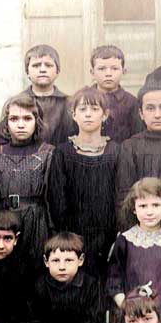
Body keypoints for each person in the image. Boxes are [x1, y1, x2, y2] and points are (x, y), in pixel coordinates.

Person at [0, 92, 55, 275]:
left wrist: (54, 234)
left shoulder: (48, 153)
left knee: (36, 273)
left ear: (37, 121)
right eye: (14, 119)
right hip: (4, 224)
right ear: (6, 123)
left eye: (27, 118)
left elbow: (53, 199)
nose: (21, 124)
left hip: (37, 223)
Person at [49, 86, 119, 279]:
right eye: (82, 109)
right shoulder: (63, 152)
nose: (88, 114)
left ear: (104, 115)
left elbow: (119, 194)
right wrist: (67, 235)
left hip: (107, 234)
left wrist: (114, 232)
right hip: (74, 233)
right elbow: (57, 198)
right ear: (74, 115)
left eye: (95, 109)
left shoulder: (115, 151)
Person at [116, 80, 161, 233]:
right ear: (141, 113)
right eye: (150, 108)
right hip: (140, 227)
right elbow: (125, 195)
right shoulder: (130, 147)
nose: (157, 114)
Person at [107, 178, 161, 313]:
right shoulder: (125, 240)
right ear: (134, 209)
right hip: (133, 315)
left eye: (155, 205)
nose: (149, 212)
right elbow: (114, 280)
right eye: (143, 206)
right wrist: (127, 309)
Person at [18, 44, 75, 146]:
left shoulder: (70, 103)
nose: (42, 70)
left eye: (48, 65)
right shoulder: (16, 103)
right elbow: (4, 142)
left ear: (57, 71)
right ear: (27, 71)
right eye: (36, 65)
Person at [90, 45, 143, 143]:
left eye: (114, 69)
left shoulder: (132, 102)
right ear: (92, 72)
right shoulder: (83, 101)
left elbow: (137, 136)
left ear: (124, 71)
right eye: (102, 69)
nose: (108, 74)